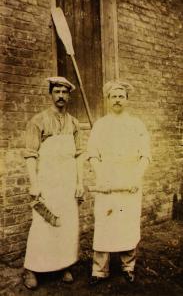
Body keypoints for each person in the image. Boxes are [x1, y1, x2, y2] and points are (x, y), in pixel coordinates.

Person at [87, 80, 151, 284]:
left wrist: (136, 177)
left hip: (129, 180)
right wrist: (101, 177)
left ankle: (128, 265)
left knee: (127, 223)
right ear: (107, 100)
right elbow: (93, 155)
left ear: (127, 100)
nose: (117, 100)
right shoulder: (100, 125)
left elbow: (145, 155)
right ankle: (100, 269)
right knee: (104, 223)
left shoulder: (137, 124)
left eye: (121, 96)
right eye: (113, 96)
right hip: (106, 180)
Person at [23, 76, 84, 289]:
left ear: (69, 96)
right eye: (56, 91)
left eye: (64, 92)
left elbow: (78, 156)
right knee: (43, 225)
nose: (60, 96)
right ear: (51, 94)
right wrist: (34, 184)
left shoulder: (75, 123)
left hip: (67, 182)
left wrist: (80, 182)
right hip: (47, 181)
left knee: (66, 225)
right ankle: (31, 268)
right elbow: (30, 155)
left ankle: (63, 264)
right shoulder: (38, 121)